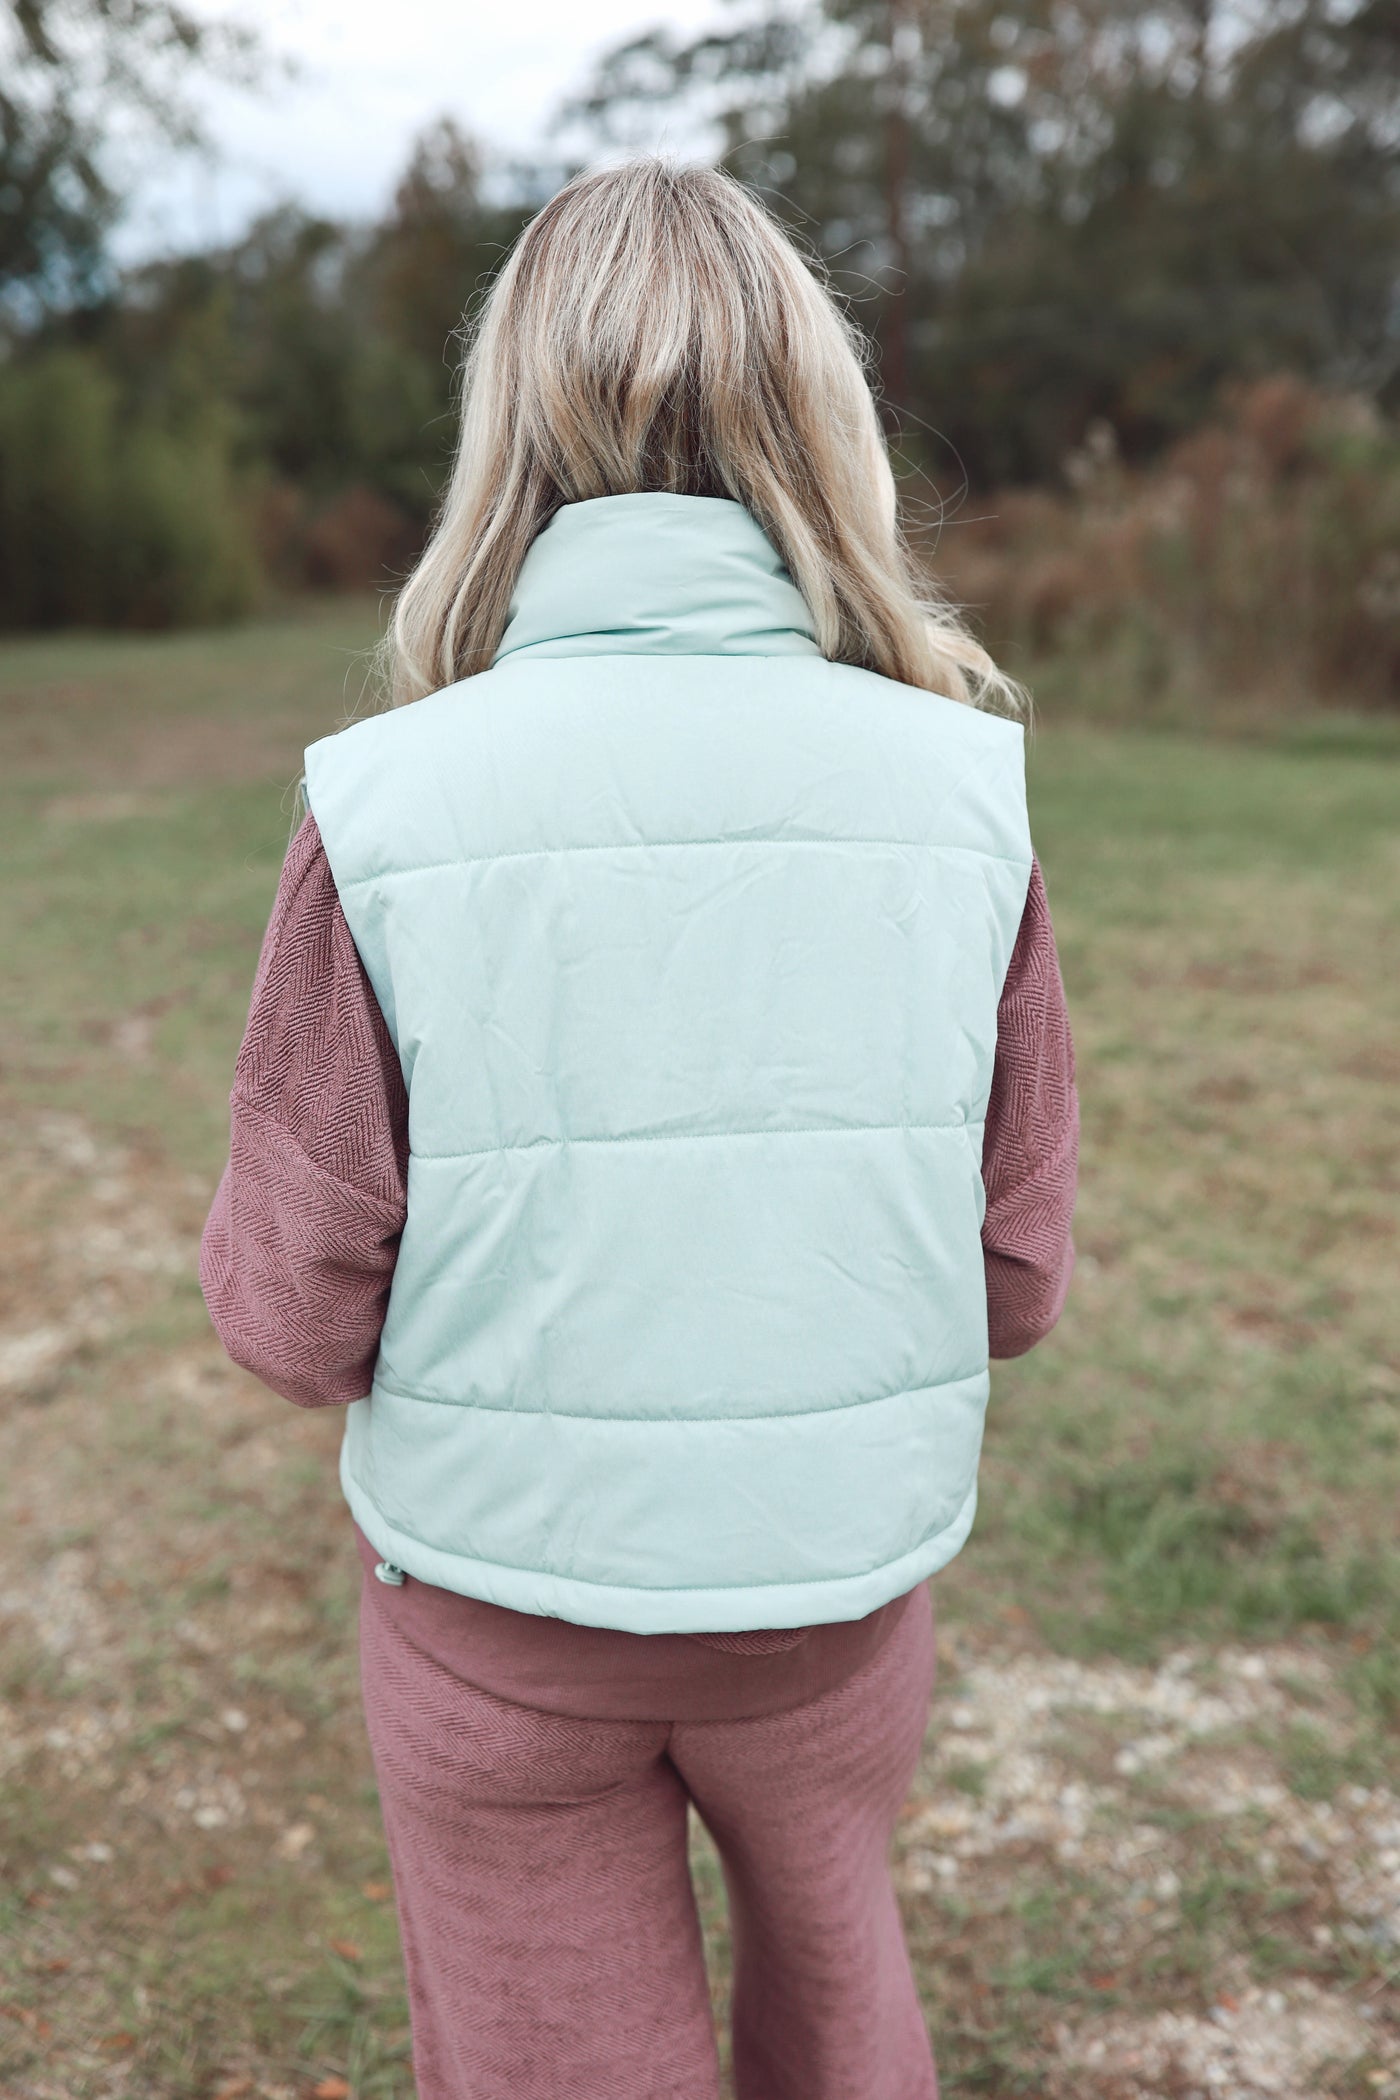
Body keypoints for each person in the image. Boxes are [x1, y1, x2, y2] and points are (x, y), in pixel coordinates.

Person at [201, 158, 1078, 2100]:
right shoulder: (959, 793)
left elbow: (285, 1307)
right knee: (848, 2032)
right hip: (833, 1602)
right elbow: (1014, 1272)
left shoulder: (380, 803)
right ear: (818, 422)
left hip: (495, 1605)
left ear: (505, 428)